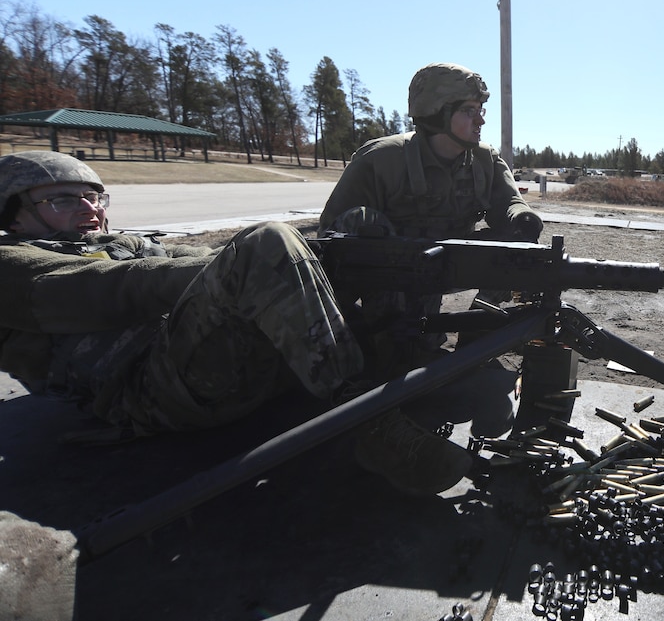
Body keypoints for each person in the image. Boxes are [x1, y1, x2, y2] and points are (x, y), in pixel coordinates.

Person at [0, 150, 472, 496]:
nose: (89, 210)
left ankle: (399, 360)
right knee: (267, 244)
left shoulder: (129, 242)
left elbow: (209, 258)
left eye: (94, 196)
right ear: (14, 218)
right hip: (148, 392)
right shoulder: (13, 262)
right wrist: (260, 260)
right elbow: (113, 286)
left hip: (212, 370)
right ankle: (367, 421)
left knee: (357, 227)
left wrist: (316, 255)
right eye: (62, 200)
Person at [318, 63, 544, 365]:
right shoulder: (381, 160)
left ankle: (477, 344)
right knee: (362, 224)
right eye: (469, 111)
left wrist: (520, 218)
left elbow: (508, 205)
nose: (480, 120)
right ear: (437, 113)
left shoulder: (484, 160)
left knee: (512, 245)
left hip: (449, 262)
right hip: (393, 274)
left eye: (481, 110)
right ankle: (366, 339)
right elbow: (331, 241)